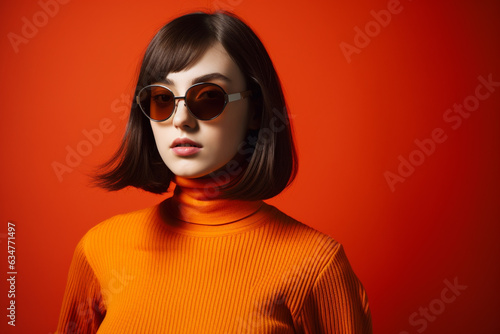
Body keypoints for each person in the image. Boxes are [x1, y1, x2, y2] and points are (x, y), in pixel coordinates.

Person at [56, 11, 372, 333]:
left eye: (208, 97)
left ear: (255, 110)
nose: (180, 119)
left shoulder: (316, 265)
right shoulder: (99, 249)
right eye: (163, 99)